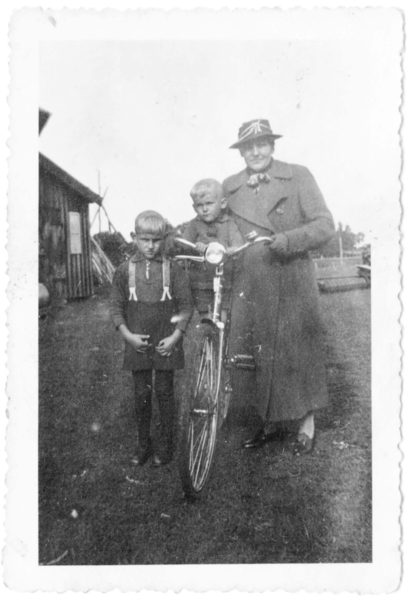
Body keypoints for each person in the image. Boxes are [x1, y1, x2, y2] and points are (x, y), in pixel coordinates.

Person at [222, 119, 335, 454]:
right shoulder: (230, 187)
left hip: (291, 275)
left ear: (273, 146)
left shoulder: (298, 175)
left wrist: (287, 239)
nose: (255, 151)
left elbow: (325, 224)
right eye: (248, 146)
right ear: (241, 151)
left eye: (262, 143)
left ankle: (306, 424)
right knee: (253, 355)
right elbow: (212, 222)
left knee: (298, 351)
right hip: (251, 282)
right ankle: (265, 420)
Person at [111, 210, 193, 467]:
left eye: (156, 240)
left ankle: (167, 445)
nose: (150, 246)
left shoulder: (173, 269)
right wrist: (128, 337)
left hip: (166, 343)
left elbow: (186, 307)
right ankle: (144, 445)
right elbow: (116, 308)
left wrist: (175, 338)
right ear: (134, 237)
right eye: (145, 239)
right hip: (137, 342)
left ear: (163, 239)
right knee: (141, 394)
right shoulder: (125, 270)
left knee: (165, 392)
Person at [181, 178, 244, 315]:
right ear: (194, 207)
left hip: (225, 279)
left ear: (222, 203)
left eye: (209, 203)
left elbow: (238, 243)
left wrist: (233, 249)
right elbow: (183, 244)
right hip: (201, 281)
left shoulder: (229, 223)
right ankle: (207, 333)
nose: (204, 209)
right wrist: (194, 247)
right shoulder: (194, 225)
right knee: (205, 315)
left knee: (223, 314)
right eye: (199, 205)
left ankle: (221, 334)